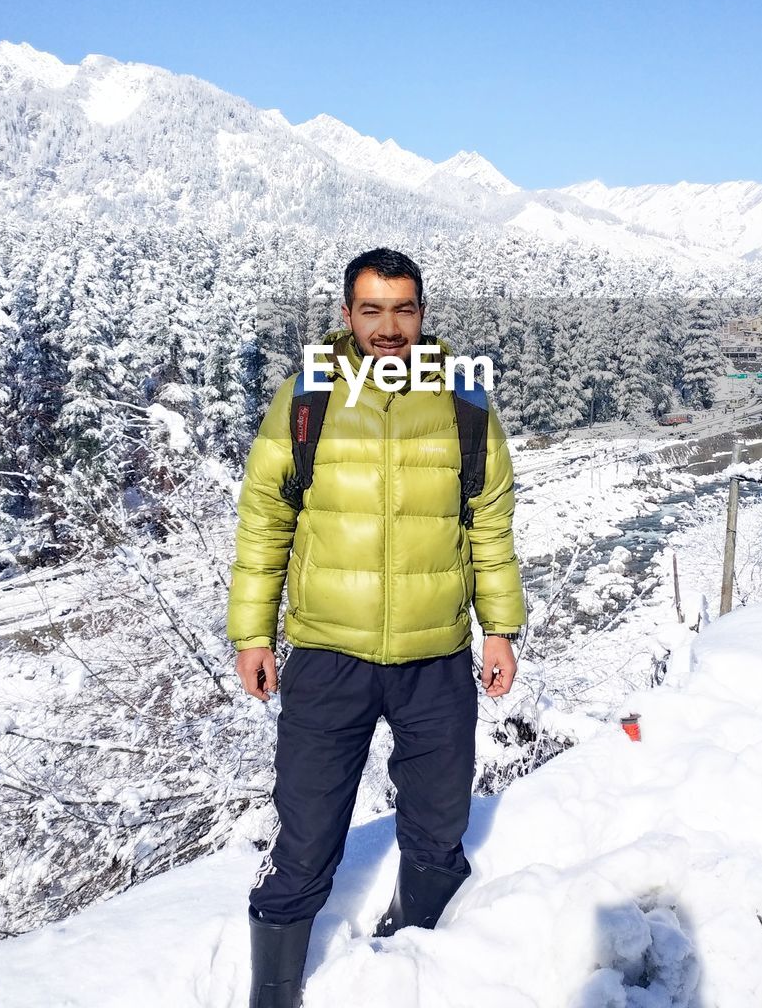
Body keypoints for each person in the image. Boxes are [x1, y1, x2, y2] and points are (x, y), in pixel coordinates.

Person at [227, 247, 526, 1008]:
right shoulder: (310, 397)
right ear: (347, 315)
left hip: (435, 659)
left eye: (403, 310)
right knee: (306, 834)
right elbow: (266, 519)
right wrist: (252, 635)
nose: (388, 328)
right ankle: (273, 991)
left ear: (422, 314)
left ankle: (406, 949)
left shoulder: (464, 400)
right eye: (372, 310)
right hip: (329, 658)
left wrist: (500, 628)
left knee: (439, 826)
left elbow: (488, 523)